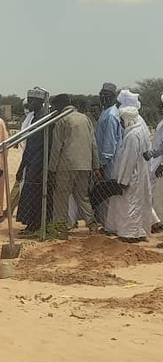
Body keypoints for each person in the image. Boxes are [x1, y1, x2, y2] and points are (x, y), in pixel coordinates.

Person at [47, 94, 98, 232]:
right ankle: (92, 224)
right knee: (82, 197)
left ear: (60, 105)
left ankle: (60, 227)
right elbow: (93, 144)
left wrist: (52, 169)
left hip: (66, 165)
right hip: (85, 164)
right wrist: (95, 166)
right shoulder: (85, 118)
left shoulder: (62, 120)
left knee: (61, 197)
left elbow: (57, 147)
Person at [107, 91, 154, 242]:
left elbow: (129, 160)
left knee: (130, 204)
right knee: (138, 203)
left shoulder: (133, 136)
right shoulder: (140, 130)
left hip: (132, 175)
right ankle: (137, 231)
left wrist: (123, 180)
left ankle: (130, 234)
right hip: (140, 173)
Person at [16, 88, 52, 235]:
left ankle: (34, 226)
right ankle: (31, 225)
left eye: (32, 101)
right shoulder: (35, 117)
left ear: (39, 101)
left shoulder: (43, 117)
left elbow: (34, 145)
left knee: (33, 194)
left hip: (39, 162)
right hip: (33, 161)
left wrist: (22, 167)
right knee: (30, 193)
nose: (29, 104)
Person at [96, 82, 123, 230]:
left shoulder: (111, 115)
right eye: (101, 95)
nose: (103, 98)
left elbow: (110, 142)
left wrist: (103, 163)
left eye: (106, 95)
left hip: (110, 161)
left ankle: (110, 225)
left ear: (113, 97)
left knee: (108, 192)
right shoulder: (105, 112)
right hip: (105, 160)